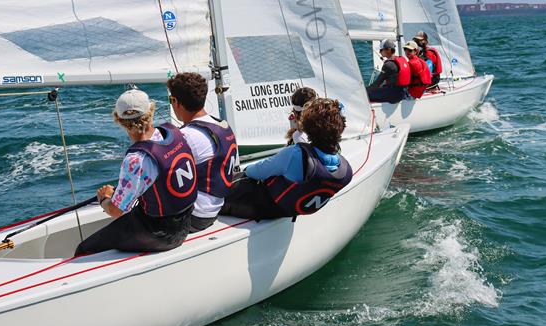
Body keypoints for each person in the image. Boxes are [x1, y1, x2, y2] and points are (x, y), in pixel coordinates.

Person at [74, 88, 197, 256]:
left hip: (161, 234)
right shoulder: (174, 133)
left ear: (119, 120)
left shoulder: (137, 159)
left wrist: (104, 199)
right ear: (151, 111)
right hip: (186, 222)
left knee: (83, 249)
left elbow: (116, 211)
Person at [219, 98, 352, 220]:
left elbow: (256, 172)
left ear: (308, 129)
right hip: (286, 210)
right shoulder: (345, 170)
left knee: (215, 192)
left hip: (262, 207)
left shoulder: (296, 154)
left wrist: (245, 170)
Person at [167, 72, 238, 233]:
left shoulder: (187, 136)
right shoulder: (223, 125)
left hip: (194, 216)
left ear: (176, 102)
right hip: (214, 208)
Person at [367, 39, 410, 104]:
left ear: (389, 50)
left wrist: (364, 91)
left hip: (392, 96)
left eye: (381, 50)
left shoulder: (388, 65)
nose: (379, 52)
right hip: (402, 94)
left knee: (366, 95)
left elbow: (377, 83)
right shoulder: (401, 59)